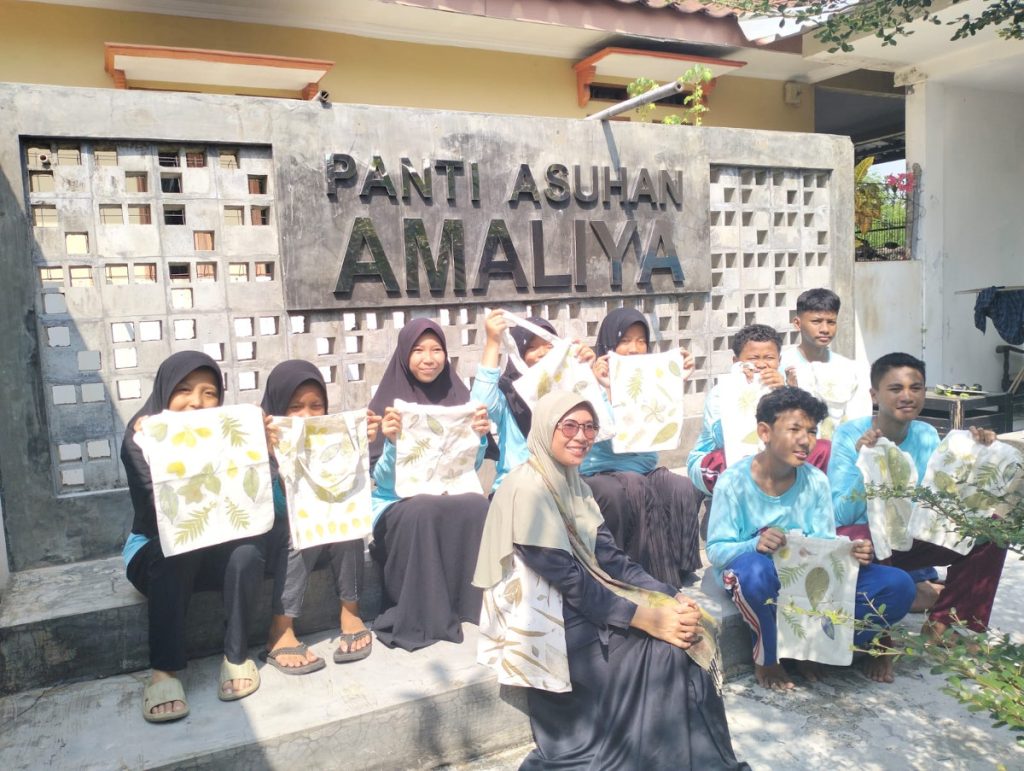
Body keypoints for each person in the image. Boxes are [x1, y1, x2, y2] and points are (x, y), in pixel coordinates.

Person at [474, 390, 748, 770]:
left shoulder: (574, 485)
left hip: (583, 602)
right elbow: (570, 582)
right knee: (664, 650)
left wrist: (670, 596)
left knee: (689, 630)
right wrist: (646, 618)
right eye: (569, 426)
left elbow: (613, 560)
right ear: (545, 428)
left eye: (590, 427)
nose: (581, 436)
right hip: (549, 619)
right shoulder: (526, 489)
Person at [706, 387, 915, 689]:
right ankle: (768, 658)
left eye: (812, 431)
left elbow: (824, 546)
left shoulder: (816, 481)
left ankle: (814, 647)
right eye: (794, 429)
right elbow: (716, 551)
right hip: (759, 581)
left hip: (806, 583)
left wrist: (850, 552)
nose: (805, 440)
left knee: (898, 586)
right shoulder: (733, 483)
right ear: (765, 432)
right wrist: (755, 544)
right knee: (754, 570)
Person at [121, 351, 267, 722]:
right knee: (179, 545)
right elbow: (155, 518)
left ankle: (236, 656)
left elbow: (251, 505)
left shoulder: (229, 437)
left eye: (209, 392)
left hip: (216, 550)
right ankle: (164, 671)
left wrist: (259, 444)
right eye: (183, 390)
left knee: (248, 552)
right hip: (156, 555)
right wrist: (155, 449)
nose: (196, 402)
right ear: (164, 391)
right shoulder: (140, 438)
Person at [828, 352, 1008, 640]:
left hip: (907, 537)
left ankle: (944, 625)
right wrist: (866, 464)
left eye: (916, 388)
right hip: (864, 542)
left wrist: (976, 450)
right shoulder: (850, 435)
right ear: (874, 395)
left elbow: (939, 498)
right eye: (895, 388)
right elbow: (840, 515)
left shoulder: (925, 434)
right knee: (869, 533)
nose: (907, 396)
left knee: (990, 529)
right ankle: (882, 626)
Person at [368, 318, 491, 650]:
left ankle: (470, 605)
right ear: (404, 355)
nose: (429, 358)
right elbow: (382, 480)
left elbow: (467, 467)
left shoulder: (457, 395)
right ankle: (426, 613)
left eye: (436, 350)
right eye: (418, 350)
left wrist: (478, 438)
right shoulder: (387, 405)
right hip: (396, 501)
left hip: (447, 492)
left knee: (478, 505)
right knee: (423, 508)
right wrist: (392, 442)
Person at [261, 360, 382, 673]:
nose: (307, 415)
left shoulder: (328, 443)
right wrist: (273, 456)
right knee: (304, 522)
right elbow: (273, 511)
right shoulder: (259, 442)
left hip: (321, 540)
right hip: (275, 543)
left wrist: (359, 443)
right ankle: (280, 629)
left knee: (345, 514)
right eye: (295, 407)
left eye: (316, 406)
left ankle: (351, 612)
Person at [583, 307, 704, 587]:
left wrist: (675, 379)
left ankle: (681, 565)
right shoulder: (589, 382)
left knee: (680, 486)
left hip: (643, 469)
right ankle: (644, 574)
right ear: (608, 344)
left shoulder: (649, 379)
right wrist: (606, 388)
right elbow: (602, 431)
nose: (634, 349)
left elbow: (661, 418)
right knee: (635, 485)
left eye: (641, 341)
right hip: (601, 471)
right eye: (624, 341)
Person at [688, 323, 823, 497]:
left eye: (769, 358)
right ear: (736, 362)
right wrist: (741, 388)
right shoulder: (721, 392)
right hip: (717, 459)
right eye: (752, 358)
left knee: (820, 449)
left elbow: (808, 433)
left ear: (779, 361)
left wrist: (784, 392)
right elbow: (725, 439)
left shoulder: (787, 386)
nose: (761, 364)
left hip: (774, 456)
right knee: (741, 460)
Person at [471, 309, 594, 494]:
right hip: (517, 490)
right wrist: (492, 343)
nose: (543, 353)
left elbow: (601, 427)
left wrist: (589, 374)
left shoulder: (569, 389)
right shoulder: (508, 391)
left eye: (549, 346)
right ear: (518, 353)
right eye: (532, 347)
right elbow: (481, 404)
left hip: (565, 489)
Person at [779, 288, 872, 433]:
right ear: (797, 323)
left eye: (831, 322)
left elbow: (858, 420)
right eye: (816, 321)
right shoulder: (779, 365)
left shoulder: (848, 369)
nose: (825, 329)